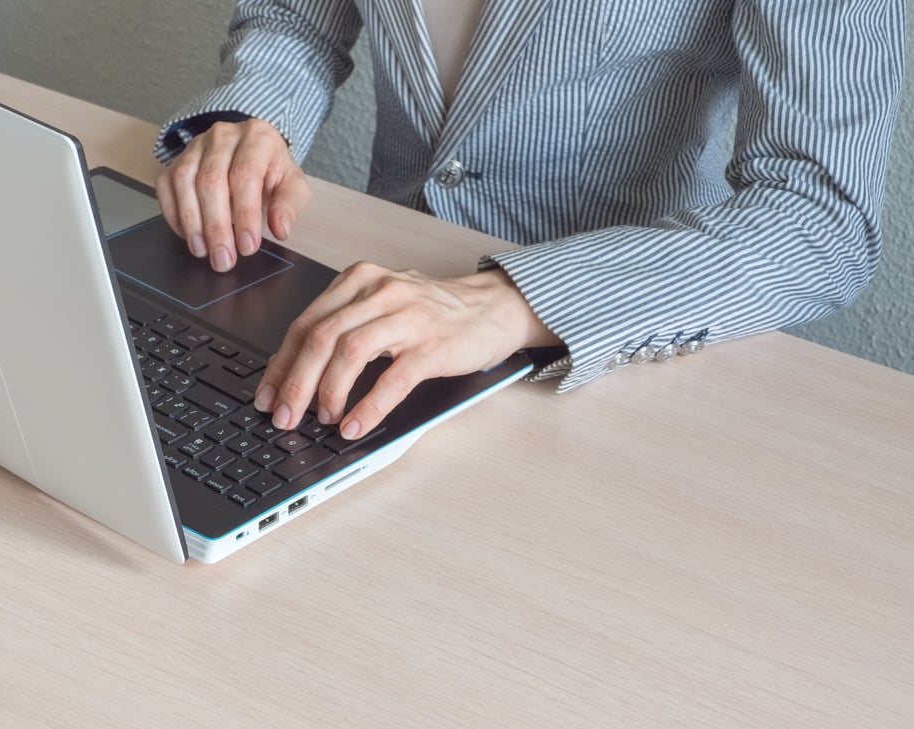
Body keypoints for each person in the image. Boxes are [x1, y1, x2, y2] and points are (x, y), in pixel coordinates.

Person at [153, 1, 904, 442]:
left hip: (609, 390)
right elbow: (296, 17)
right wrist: (256, 112)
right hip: (362, 303)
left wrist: (515, 300)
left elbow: (820, 215)